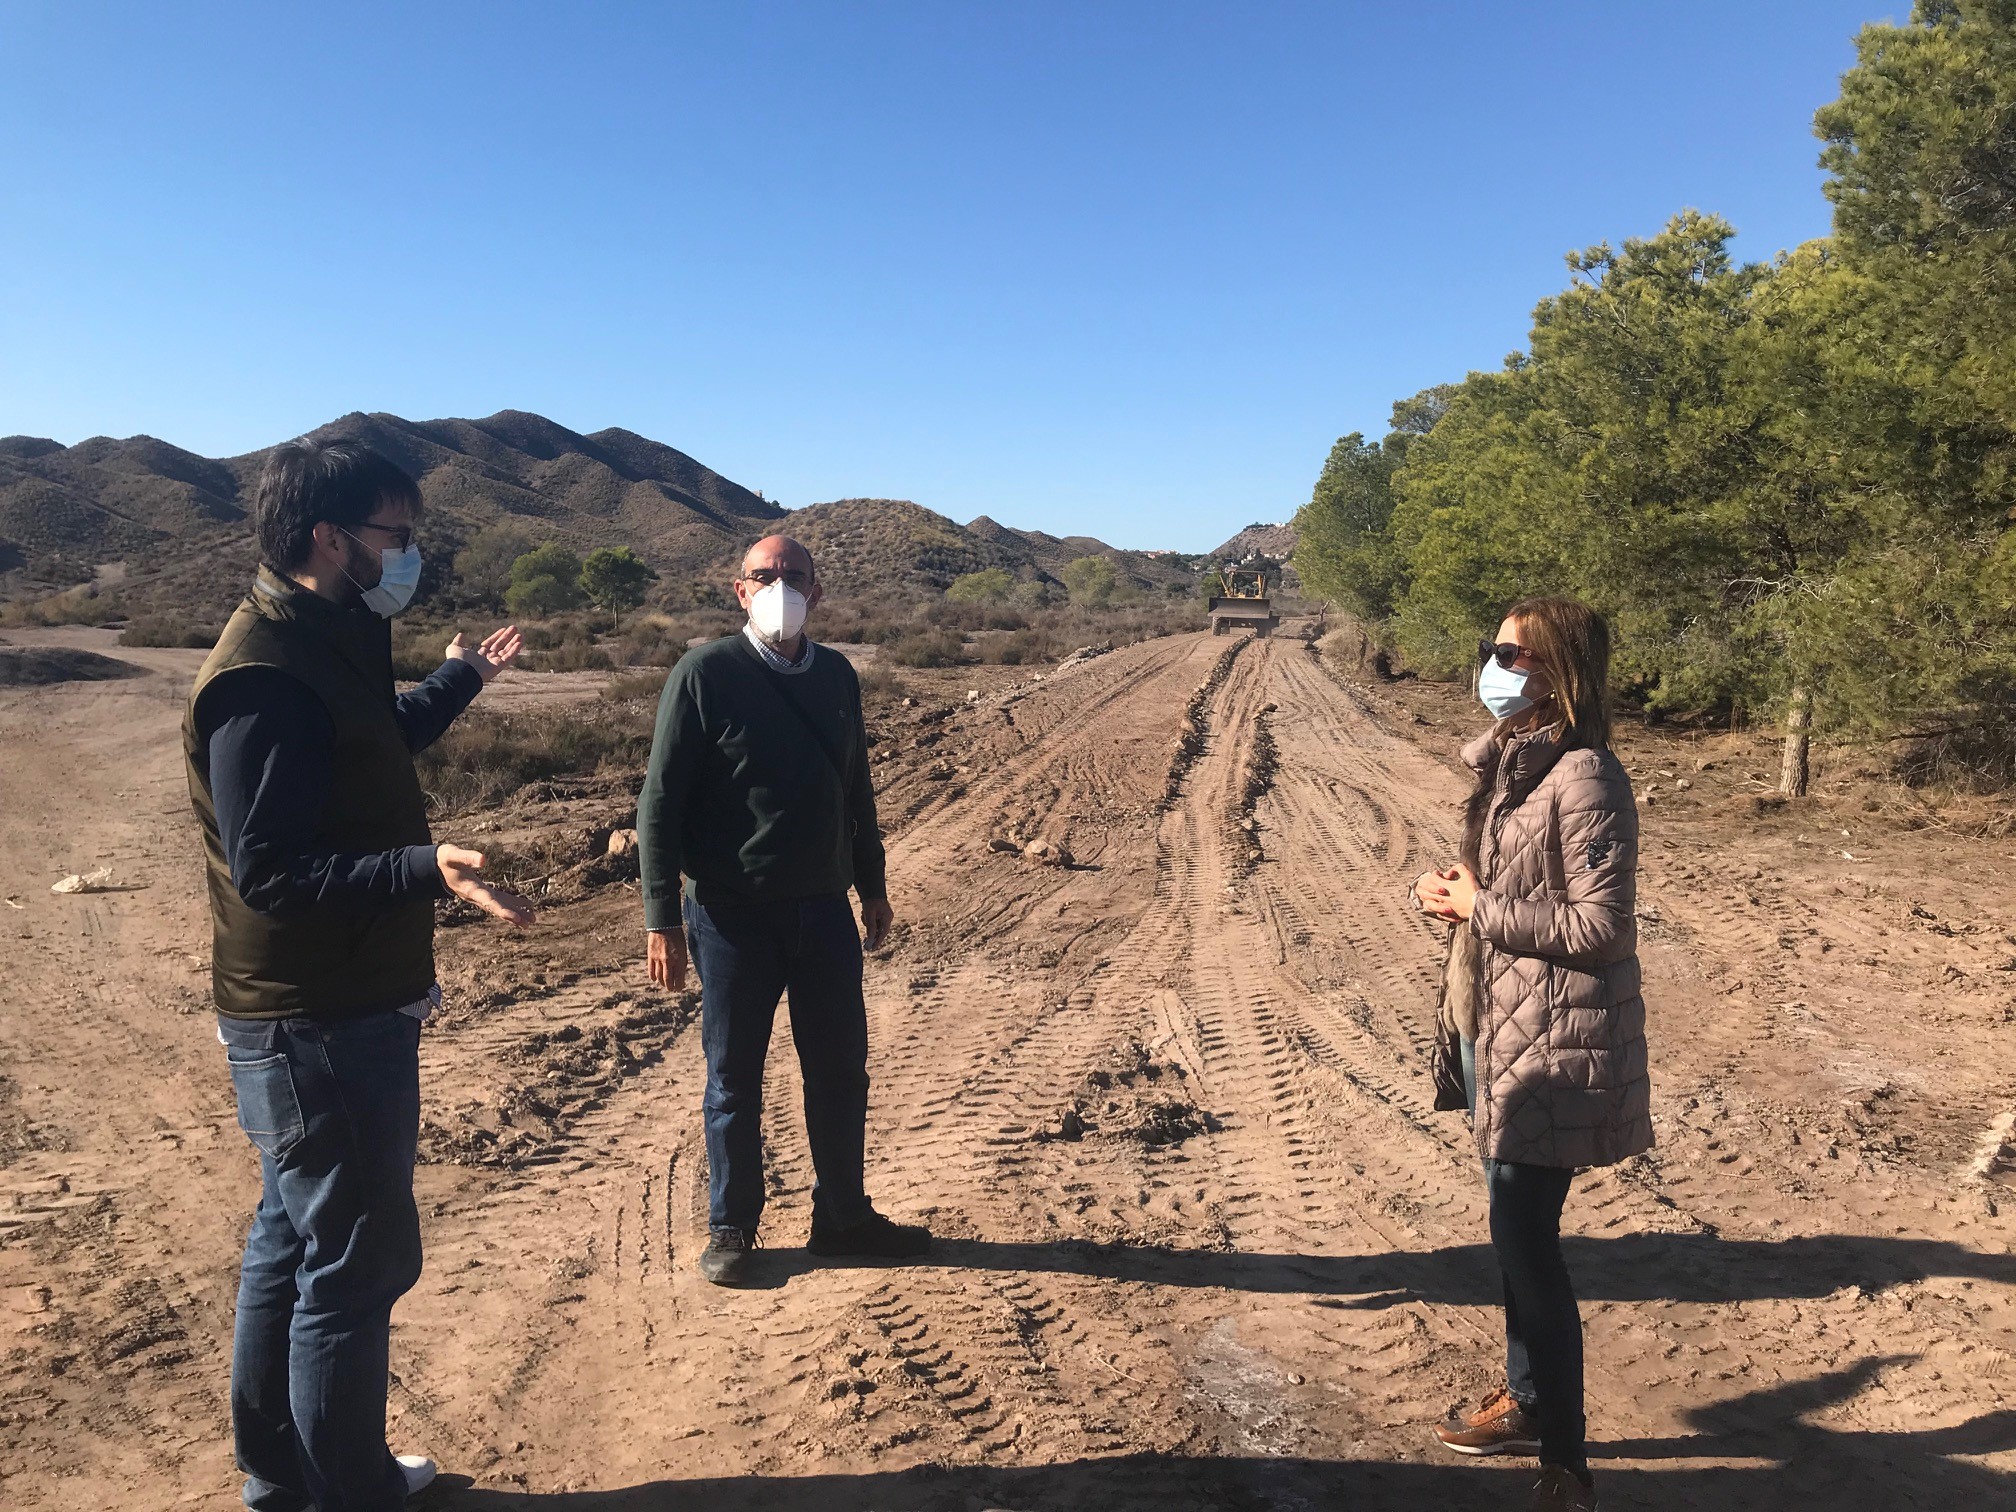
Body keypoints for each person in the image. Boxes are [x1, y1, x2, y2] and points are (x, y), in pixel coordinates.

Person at [184, 438, 536, 1512]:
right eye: (398, 535)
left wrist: (460, 678)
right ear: (329, 537)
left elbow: (373, 742)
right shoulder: (264, 675)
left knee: (293, 1242)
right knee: (354, 1263)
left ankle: (284, 1477)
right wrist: (425, 868)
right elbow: (271, 872)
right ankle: (350, 1490)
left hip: (326, 1004)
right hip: (318, 1017)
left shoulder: (326, 636)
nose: (410, 553)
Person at [1413, 596, 1652, 1512]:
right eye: (1495, 648)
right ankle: (1527, 1402)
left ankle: (1567, 1463)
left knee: (1525, 1239)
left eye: (1511, 653)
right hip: (1500, 1024)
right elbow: (1507, 887)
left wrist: (1480, 908)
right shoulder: (1518, 762)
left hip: (1554, 1037)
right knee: (1512, 1235)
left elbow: (1601, 926)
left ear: (1561, 671)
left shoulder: (1586, 776)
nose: (1494, 664)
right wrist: (1454, 892)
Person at [638, 534, 928, 1286]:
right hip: (731, 917)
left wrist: (872, 885)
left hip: (823, 910)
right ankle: (732, 1227)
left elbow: (855, 788)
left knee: (840, 1069)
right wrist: (661, 919)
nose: (779, 588)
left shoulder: (836, 675)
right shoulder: (704, 673)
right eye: (763, 576)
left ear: (817, 591)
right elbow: (660, 802)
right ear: (740, 590)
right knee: (733, 1077)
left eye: (793, 576)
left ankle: (843, 1217)